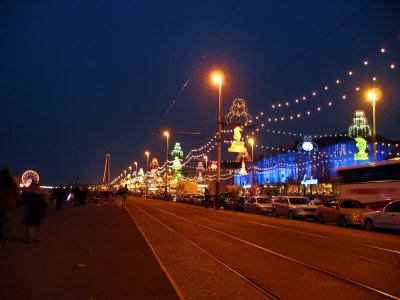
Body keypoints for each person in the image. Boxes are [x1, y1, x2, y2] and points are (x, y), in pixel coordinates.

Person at [22, 179, 47, 243]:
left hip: (30, 210)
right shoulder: (41, 193)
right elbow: (44, 203)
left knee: (30, 225)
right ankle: (38, 237)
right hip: (39, 210)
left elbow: (25, 202)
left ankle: (29, 239)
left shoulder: (29, 193)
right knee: (38, 224)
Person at [0, 168, 20, 244]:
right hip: (9, 204)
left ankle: (4, 236)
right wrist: (18, 200)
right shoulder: (11, 182)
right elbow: (17, 193)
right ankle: (5, 238)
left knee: (1, 221)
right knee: (6, 222)